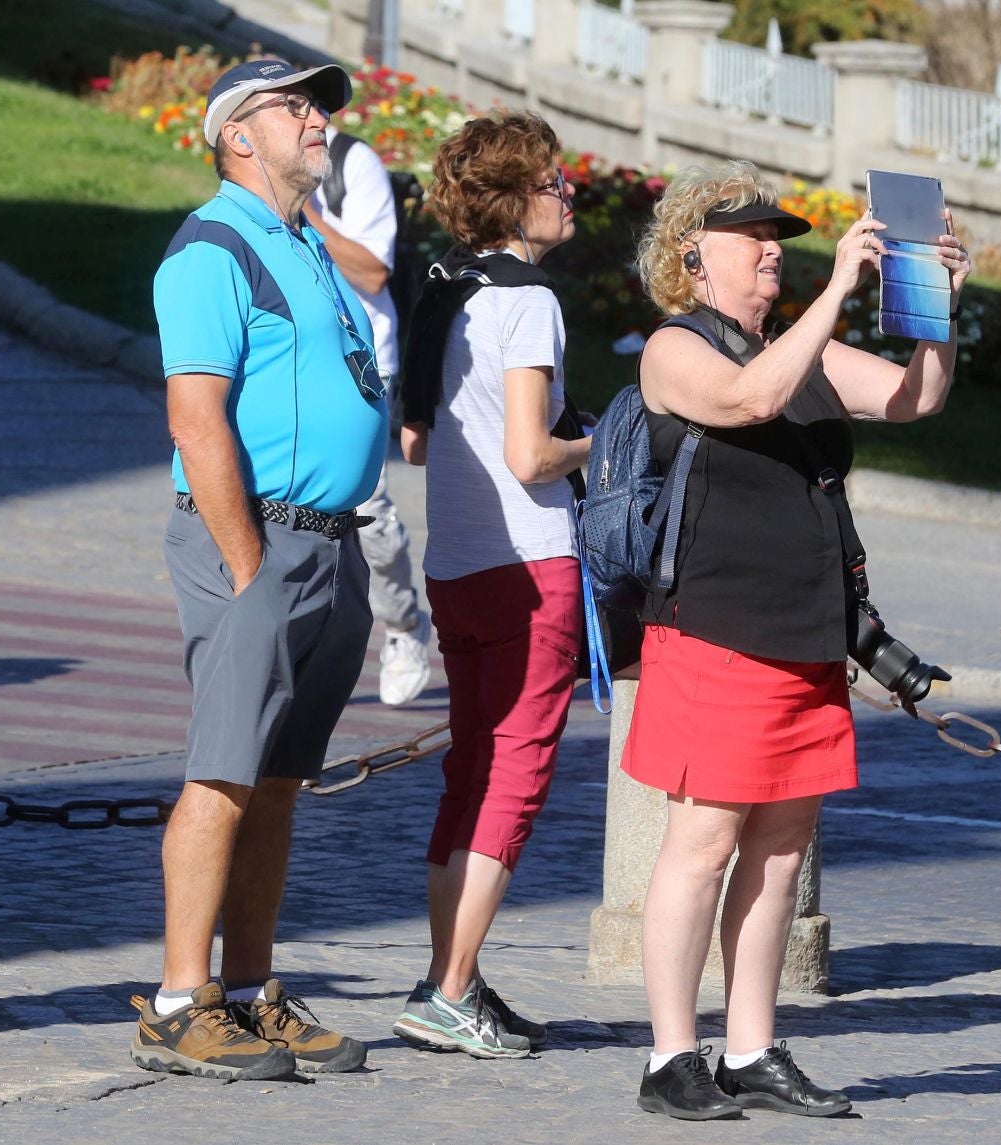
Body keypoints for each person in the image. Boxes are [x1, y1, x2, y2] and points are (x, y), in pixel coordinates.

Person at [625, 160, 971, 1119]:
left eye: (781, 234)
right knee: (700, 845)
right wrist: (835, 293)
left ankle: (750, 1047)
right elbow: (750, 400)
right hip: (718, 631)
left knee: (780, 851)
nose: (775, 248)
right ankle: (669, 1056)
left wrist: (937, 309)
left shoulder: (797, 346)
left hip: (807, 635)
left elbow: (914, 399)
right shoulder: (674, 349)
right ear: (694, 258)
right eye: (752, 235)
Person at [132, 57, 380, 1080]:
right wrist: (249, 566)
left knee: (278, 779)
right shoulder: (211, 250)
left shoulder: (303, 245)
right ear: (238, 135)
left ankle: (247, 987)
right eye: (296, 107)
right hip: (261, 541)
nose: (319, 120)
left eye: (318, 105)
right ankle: (180, 999)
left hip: (327, 539)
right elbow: (196, 418)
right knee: (225, 770)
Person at [389, 111, 587, 1058]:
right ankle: (449, 987)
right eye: (555, 181)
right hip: (526, 563)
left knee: (470, 773)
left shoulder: (446, 290)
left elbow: (419, 438)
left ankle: (447, 976)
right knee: (512, 777)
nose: (568, 191)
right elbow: (531, 454)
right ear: (516, 198)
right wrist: (615, 438)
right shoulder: (529, 298)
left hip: (456, 560)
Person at [307, 123, 433, 707]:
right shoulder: (252, 169)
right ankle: (302, 647)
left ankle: (405, 628)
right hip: (292, 363)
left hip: (360, 360)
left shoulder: (351, 164)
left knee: (366, 509)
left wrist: (303, 213)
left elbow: (372, 271)